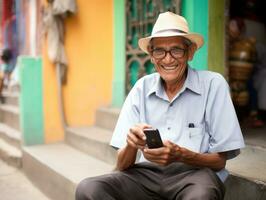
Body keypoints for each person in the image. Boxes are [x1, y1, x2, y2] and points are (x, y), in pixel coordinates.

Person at [76, 12, 245, 200]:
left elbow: (220, 161)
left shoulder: (213, 84)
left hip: (195, 175)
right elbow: (122, 166)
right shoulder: (141, 87)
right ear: (151, 55)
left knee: (201, 196)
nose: (167, 59)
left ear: (190, 52)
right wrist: (132, 145)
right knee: (88, 189)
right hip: (145, 175)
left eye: (176, 50)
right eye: (159, 51)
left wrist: (181, 154)